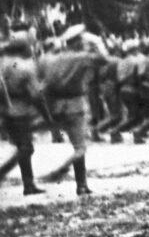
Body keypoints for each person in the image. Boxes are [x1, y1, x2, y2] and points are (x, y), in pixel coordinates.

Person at [39, 24, 107, 195]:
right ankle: (62, 171)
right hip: (75, 105)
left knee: (77, 146)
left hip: (56, 106)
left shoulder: (51, 59)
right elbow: (104, 59)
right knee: (80, 148)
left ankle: (82, 185)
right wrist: (96, 41)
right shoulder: (80, 58)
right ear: (78, 42)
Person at [0, 27, 51, 195]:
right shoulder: (24, 67)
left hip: (5, 110)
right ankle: (23, 181)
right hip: (20, 111)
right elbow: (36, 95)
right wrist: (47, 116)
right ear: (24, 47)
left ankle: (28, 184)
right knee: (26, 148)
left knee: (23, 147)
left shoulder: (3, 62)